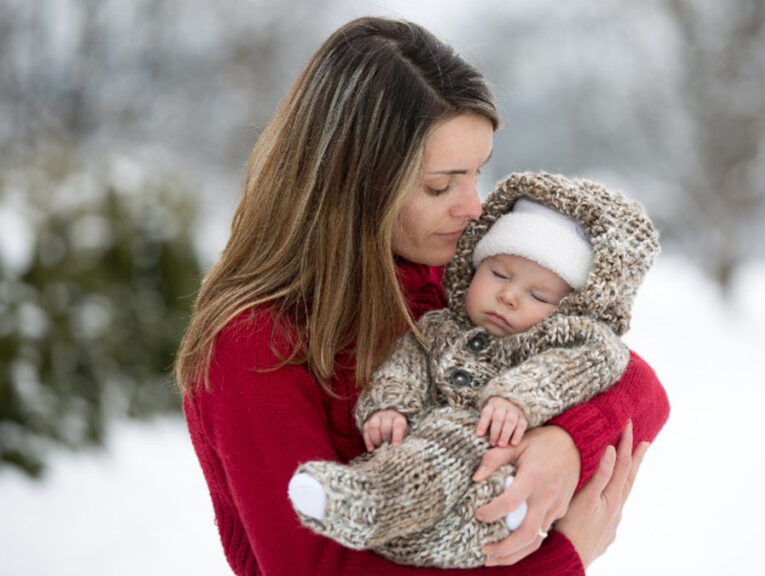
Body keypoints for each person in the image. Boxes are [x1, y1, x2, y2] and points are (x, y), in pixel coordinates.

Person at [175, 15, 670, 576]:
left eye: (477, 173)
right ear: (356, 184)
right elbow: (316, 566)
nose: (475, 207)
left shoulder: (449, 282)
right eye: (441, 185)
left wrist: (565, 441)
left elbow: (638, 385)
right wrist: (562, 558)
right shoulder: (256, 343)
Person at [287, 172, 661, 568]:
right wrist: (391, 406)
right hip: (423, 454)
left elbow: (578, 365)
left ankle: (377, 506)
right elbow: (406, 365)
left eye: (538, 295)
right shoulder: (438, 326)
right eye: (498, 273)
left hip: (497, 454)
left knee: (461, 460)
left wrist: (518, 399)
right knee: (414, 465)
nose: (508, 296)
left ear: (569, 308)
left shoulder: (568, 338)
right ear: (474, 265)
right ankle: (371, 506)